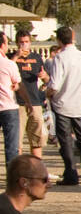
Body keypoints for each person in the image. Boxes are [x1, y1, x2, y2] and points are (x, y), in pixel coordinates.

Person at [44, 26, 81, 185]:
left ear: (59, 40)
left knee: (66, 142)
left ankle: (71, 174)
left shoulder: (60, 58)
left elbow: (55, 84)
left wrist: (47, 93)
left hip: (63, 104)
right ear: (73, 37)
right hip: (78, 103)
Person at [14, 30, 48, 160]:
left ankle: (37, 167)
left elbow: (47, 79)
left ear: (30, 43)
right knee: (17, 140)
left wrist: (44, 76)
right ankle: (19, 169)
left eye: (26, 42)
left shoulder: (37, 58)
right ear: (17, 43)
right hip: (18, 102)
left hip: (35, 102)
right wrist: (16, 56)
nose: (24, 45)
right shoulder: (12, 57)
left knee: (37, 139)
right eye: (21, 42)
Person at [0, 32, 22, 165]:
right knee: (11, 146)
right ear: (3, 45)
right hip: (8, 106)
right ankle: (12, 179)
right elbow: (17, 84)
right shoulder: (9, 64)